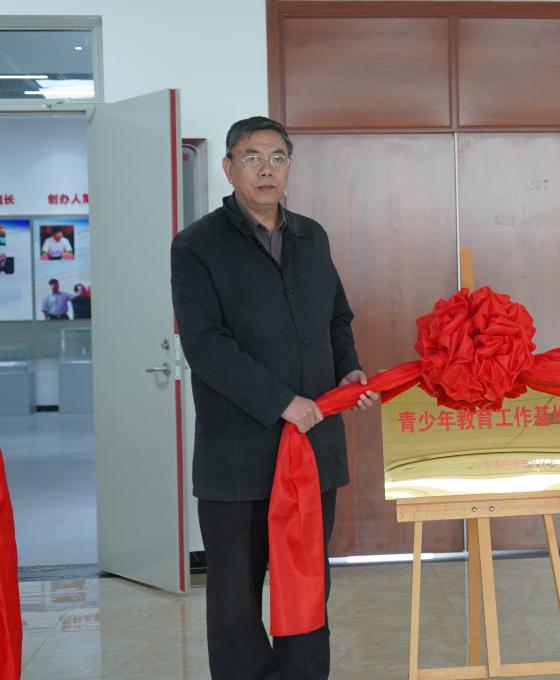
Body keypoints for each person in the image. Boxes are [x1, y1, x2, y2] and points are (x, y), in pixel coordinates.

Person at [171, 116, 379, 680]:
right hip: (238, 457)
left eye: (278, 158)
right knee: (235, 601)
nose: (266, 169)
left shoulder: (312, 237)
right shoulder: (197, 245)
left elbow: (337, 319)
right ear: (228, 168)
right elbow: (206, 346)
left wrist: (349, 370)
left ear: (289, 167)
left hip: (313, 449)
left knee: (306, 586)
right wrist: (283, 401)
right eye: (252, 157)